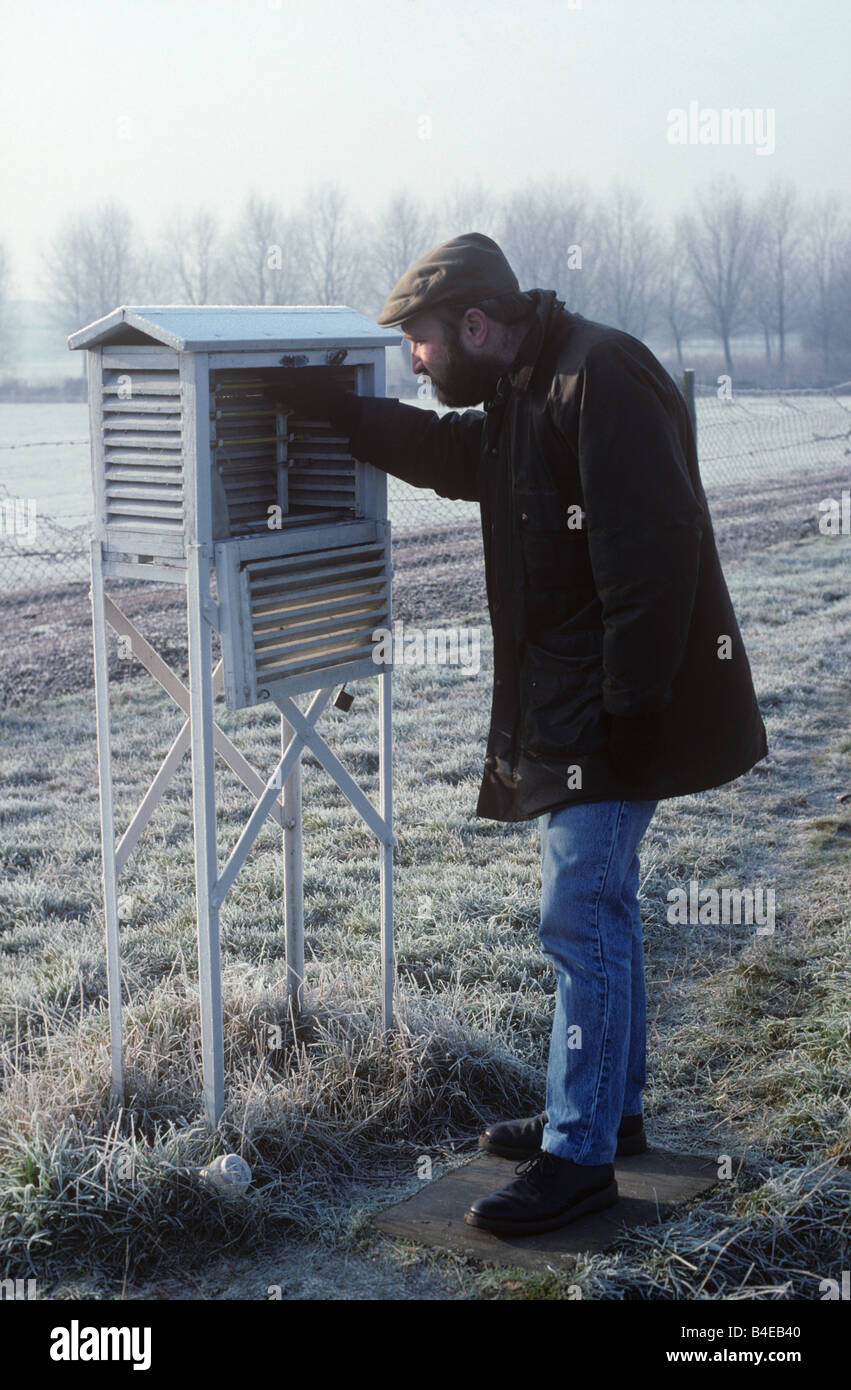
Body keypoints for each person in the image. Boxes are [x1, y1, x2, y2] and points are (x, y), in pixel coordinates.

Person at [279, 232, 768, 1236]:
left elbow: (651, 556)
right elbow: (460, 460)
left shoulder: (600, 375)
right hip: (577, 705)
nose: (415, 362)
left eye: (418, 344)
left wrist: (628, 716)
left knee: (576, 914)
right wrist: (348, 419)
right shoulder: (524, 391)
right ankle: (608, 1117)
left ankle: (577, 1157)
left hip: (615, 708)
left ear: (472, 324)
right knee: (604, 910)